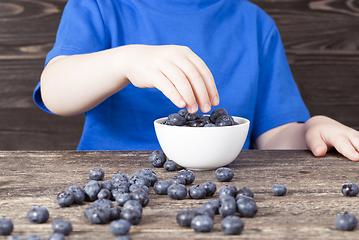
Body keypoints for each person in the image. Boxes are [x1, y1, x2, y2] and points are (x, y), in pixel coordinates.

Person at [33, 0, 359, 161]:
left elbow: (273, 136)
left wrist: (308, 132)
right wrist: (124, 61)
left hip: (224, 199)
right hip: (110, 194)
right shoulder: (99, 7)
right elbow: (54, 92)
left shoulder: (255, 23)